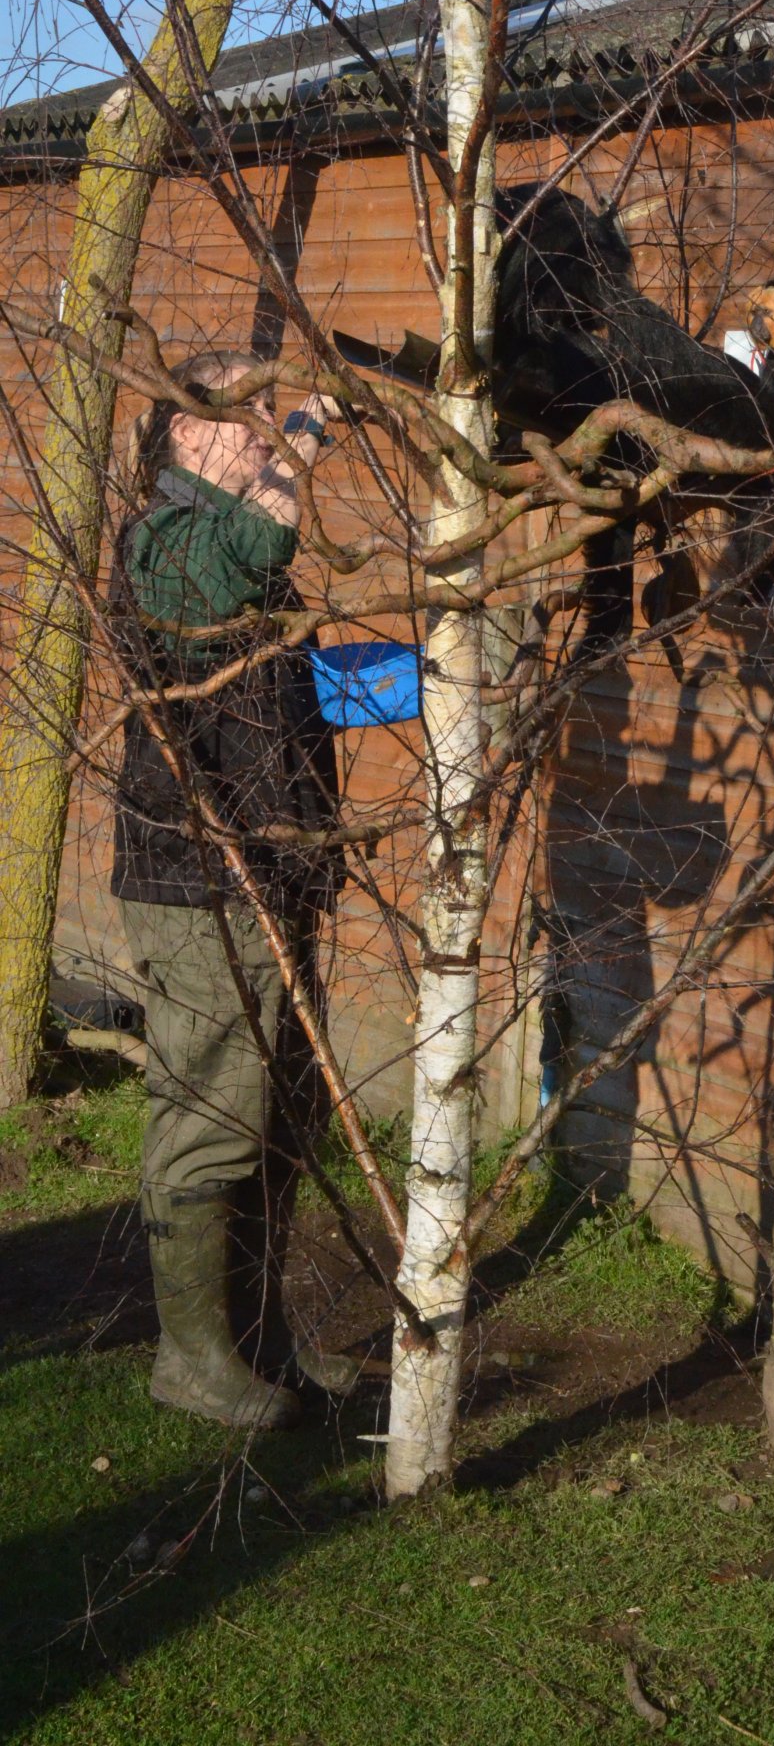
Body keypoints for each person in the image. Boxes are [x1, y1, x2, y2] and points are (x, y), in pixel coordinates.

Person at [111, 351, 348, 1428]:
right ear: (179, 439)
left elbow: (258, 690)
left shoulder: (221, 548)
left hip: (270, 869)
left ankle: (258, 1337)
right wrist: (308, 432)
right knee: (209, 1116)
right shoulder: (165, 539)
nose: (259, 427)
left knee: (278, 1114)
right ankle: (190, 1357)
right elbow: (249, 550)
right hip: (198, 880)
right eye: (237, 414)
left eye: (263, 413)